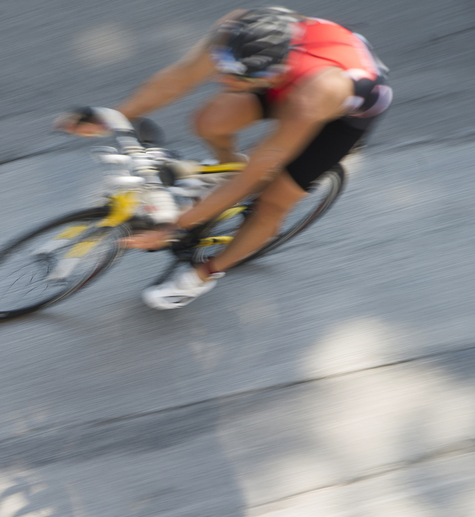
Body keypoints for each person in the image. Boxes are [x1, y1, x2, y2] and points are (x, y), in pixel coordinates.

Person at [55, 7, 391, 309]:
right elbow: (180, 77)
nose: (221, 79)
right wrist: (113, 116)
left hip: (338, 112)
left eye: (234, 75)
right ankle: (223, 170)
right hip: (295, 72)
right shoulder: (238, 29)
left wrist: (175, 227)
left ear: (269, 74)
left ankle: (204, 275)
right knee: (208, 121)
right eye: (223, 66)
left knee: (271, 202)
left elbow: (254, 173)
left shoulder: (315, 95)